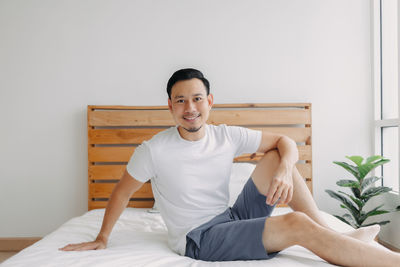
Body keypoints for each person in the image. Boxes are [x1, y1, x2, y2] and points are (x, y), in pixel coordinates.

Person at [61, 68, 400, 266]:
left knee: (276, 157)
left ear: (209, 102)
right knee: (293, 222)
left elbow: (285, 142)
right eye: (180, 100)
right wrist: (102, 238)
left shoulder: (226, 135)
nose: (189, 108)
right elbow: (121, 192)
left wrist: (283, 170)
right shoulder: (154, 150)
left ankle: (337, 236)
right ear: (170, 106)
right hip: (199, 238)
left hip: (231, 216)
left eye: (196, 99)